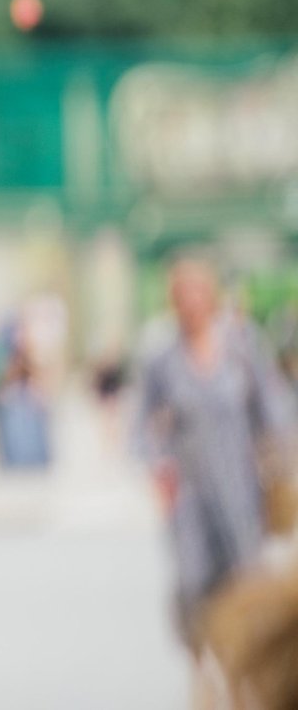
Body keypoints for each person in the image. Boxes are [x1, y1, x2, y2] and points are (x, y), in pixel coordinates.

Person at [135, 254, 296, 640]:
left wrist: (282, 463)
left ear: (212, 296)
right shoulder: (162, 355)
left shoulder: (242, 345)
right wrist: (158, 469)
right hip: (190, 486)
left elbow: (273, 409)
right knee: (194, 581)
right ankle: (204, 659)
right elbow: (141, 422)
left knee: (245, 578)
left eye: (198, 292)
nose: (191, 302)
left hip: (242, 483)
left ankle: (242, 667)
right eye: (182, 294)